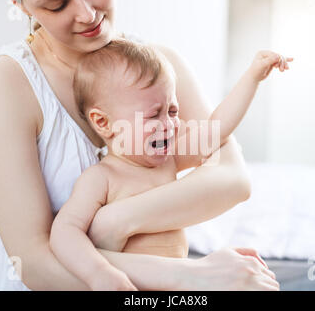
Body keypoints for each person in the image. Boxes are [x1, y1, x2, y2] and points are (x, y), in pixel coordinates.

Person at [0, 0, 284, 291]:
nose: (86, 14)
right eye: (57, 4)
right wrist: (193, 277)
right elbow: (35, 263)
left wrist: (115, 221)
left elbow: (229, 167)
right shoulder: (6, 83)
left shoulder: (158, 69)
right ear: (20, 4)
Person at [50, 39, 291, 290]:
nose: (169, 124)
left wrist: (252, 77)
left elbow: (217, 129)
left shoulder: (170, 158)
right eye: (154, 115)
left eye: (173, 111)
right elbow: (65, 231)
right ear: (103, 122)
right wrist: (99, 273)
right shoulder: (101, 177)